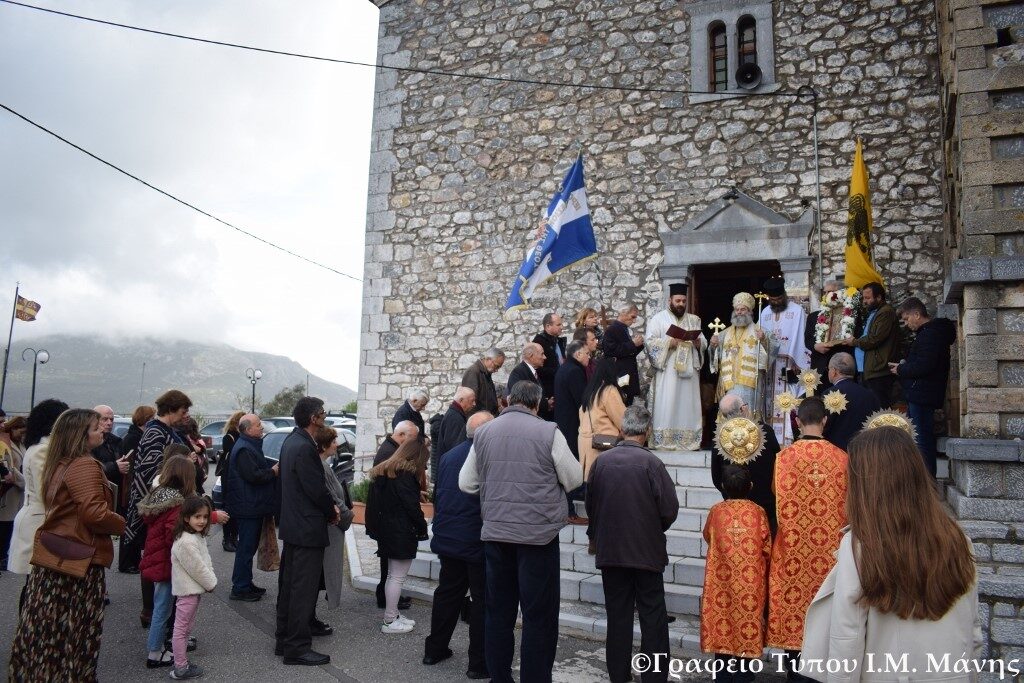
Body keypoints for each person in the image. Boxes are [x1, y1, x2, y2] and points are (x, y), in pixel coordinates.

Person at [803, 427, 981, 679]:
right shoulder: (958, 539)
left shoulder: (860, 547)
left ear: (864, 484)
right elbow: (972, 630)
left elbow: (847, 641)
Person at [459, 380, 583, 683]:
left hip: (497, 535)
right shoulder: (548, 431)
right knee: (538, 617)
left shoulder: (484, 432)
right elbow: (574, 478)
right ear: (537, 403)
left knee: (498, 614)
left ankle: (499, 678)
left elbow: (466, 483)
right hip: (537, 538)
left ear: (508, 400)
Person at [8, 408, 126, 681]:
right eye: (97, 427)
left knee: (49, 631)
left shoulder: (58, 461)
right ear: (81, 435)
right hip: (78, 563)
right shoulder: (84, 464)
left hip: (56, 557)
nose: (102, 431)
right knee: (76, 631)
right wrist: (120, 523)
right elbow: (94, 513)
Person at [586, 405, 678, 683]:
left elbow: (591, 505)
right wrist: (652, 528)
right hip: (645, 551)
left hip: (612, 550)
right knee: (652, 616)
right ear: (647, 431)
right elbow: (669, 509)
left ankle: (618, 673)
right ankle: (654, 676)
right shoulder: (651, 464)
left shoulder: (601, 463)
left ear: (622, 430)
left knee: (618, 616)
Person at [766, 397, 847, 677]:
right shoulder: (842, 457)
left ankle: (794, 673)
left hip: (794, 555)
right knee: (826, 621)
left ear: (798, 421)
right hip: (831, 557)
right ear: (825, 420)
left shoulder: (783, 458)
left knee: (795, 620)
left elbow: (777, 495)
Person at [424, 411, 493, 678]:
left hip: (449, 537)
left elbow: (439, 496)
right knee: (481, 600)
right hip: (475, 540)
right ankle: (478, 664)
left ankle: (434, 649)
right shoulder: (487, 458)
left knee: (447, 594)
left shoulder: (448, 456)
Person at [140, 454, 225, 668]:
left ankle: (159, 647)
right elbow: (174, 535)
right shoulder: (176, 504)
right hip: (165, 563)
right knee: (163, 608)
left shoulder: (159, 495)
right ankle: (155, 651)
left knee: (162, 607)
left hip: (157, 559)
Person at [275, 396, 339, 666]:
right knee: (302, 589)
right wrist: (332, 510)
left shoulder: (291, 441)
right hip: (306, 527)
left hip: (293, 525)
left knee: (290, 586)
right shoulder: (304, 447)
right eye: (323, 413)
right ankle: (297, 648)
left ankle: (284, 639)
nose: (325, 417)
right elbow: (316, 489)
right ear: (314, 418)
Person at [700, 465, 771, 682]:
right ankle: (744, 676)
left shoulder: (716, 512)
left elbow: (708, 536)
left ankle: (722, 676)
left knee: (723, 624)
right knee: (745, 627)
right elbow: (767, 547)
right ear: (750, 486)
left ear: (722, 486)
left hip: (721, 583)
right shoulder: (758, 512)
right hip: (750, 585)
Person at [366, 439, 429, 634]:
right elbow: (411, 507)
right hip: (401, 531)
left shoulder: (386, 471)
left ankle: (392, 615)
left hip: (388, 529)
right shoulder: (405, 475)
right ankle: (390, 620)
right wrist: (422, 526)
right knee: (397, 578)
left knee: (393, 576)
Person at [892, 297, 956, 478]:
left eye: (906, 319)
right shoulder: (928, 333)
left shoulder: (930, 334)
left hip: (922, 394)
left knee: (922, 440)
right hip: (921, 393)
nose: (906, 324)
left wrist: (901, 368)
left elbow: (925, 365)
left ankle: (928, 483)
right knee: (918, 438)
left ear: (917, 314)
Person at [7, 398, 68, 577]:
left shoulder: (44, 447)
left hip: (41, 519)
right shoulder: (44, 450)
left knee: (36, 583)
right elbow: (47, 491)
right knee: (35, 584)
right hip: (39, 521)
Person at [645, 282, 708, 451]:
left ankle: (688, 441)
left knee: (687, 403)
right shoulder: (658, 319)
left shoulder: (694, 320)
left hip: (689, 374)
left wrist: (698, 343)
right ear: (670, 300)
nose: (681, 304)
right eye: (678, 301)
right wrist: (670, 342)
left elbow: (704, 343)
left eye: (683, 301)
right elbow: (649, 343)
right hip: (668, 373)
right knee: (667, 401)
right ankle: (664, 440)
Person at [226, 413, 279, 602]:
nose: (262, 427)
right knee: (246, 549)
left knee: (249, 547)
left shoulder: (249, 445)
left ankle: (246, 583)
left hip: (252, 505)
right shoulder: (244, 449)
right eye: (258, 425)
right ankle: (240, 587)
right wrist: (272, 472)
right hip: (248, 507)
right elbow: (254, 476)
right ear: (248, 429)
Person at [710, 392, 780, 532]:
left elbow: (716, 477)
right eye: (745, 406)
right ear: (743, 409)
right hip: (766, 507)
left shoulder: (719, 439)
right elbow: (778, 466)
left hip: (734, 507)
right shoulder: (766, 431)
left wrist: (730, 495)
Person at [372, 418, 421, 611]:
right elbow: (396, 489)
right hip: (393, 520)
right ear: (401, 435)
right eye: (412, 440)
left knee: (391, 571)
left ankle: (387, 598)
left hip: (387, 518)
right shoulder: (391, 453)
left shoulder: (390, 449)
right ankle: (388, 604)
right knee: (393, 572)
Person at [169, 495, 218, 680]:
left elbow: (205, 561)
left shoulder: (193, 537)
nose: (202, 521)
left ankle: (182, 662)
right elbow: (197, 567)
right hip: (187, 592)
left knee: (185, 628)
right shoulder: (187, 542)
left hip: (192, 591)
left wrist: (209, 578)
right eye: (197, 516)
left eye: (205, 517)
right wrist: (211, 583)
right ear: (186, 517)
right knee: (181, 630)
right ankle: (181, 667)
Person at [758, 277, 809, 445]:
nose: (776, 302)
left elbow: (800, 337)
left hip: (789, 363)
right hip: (770, 365)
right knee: (768, 403)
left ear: (784, 295)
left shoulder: (797, 311)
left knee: (788, 400)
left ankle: (787, 438)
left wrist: (796, 361)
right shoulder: (764, 313)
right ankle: (771, 440)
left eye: (779, 299)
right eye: (773, 300)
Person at [839, 281, 898, 408]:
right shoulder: (873, 312)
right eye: (863, 298)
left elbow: (874, 338)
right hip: (867, 370)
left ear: (879, 297)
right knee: (868, 409)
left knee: (879, 409)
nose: (864, 301)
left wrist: (854, 342)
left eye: (868, 298)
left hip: (877, 371)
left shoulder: (886, 312)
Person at [315, 425, 354, 614]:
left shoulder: (324, 465)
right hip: (331, 526)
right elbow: (333, 498)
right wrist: (348, 516)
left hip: (333, 525)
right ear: (323, 445)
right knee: (322, 573)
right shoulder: (321, 467)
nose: (337, 445)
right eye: (333, 441)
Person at [709, 292, 770, 411]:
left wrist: (763, 340)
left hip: (750, 385)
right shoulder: (724, 334)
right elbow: (714, 358)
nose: (739, 312)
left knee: (748, 417)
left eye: (743, 309)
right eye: (737, 309)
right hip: (729, 385)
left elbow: (772, 352)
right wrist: (712, 345)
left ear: (750, 312)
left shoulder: (760, 332)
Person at [578, 359, 628, 483]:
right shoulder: (609, 391)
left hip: (586, 445)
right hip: (603, 446)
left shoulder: (590, 391)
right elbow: (623, 420)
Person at [821, 353, 880, 452]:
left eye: (829, 369)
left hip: (836, 453)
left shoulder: (830, 393)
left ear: (834, 371)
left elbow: (823, 425)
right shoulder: (870, 395)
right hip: (865, 452)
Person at [601, 304, 645, 404]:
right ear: (623, 313)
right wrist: (633, 344)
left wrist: (638, 345)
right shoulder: (612, 329)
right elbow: (610, 351)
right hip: (620, 376)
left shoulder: (623, 328)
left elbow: (626, 353)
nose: (634, 321)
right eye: (632, 317)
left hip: (626, 376)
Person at [805, 280, 843, 392]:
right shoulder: (813, 317)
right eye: (825, 292)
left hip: (840, 368)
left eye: (831, 292)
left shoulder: (848, 315)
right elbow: (808, 339)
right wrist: (816, 346)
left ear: (840, 293)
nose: (827, 295)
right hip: (819, 368)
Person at [216, 410, 244, 551]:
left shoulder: (241, 436)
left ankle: (234, 538)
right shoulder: (229, 437)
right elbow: (232, 453)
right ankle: (227, 539)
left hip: (237, 476)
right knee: (228, 509)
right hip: (228, 476)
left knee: (237, 510)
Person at [0, 417, 26, 569]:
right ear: (14, 428)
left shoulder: (20, 444)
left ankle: (4, 555)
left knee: (11, 523)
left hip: (16, 489)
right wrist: (23, 481)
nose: (22, 435)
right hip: (9, 487)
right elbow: (10, 466)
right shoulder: (6, 443)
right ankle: (2, 555)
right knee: (5, 523)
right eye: (20, 432)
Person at [533, 312, 567, 420]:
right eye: (558, 325)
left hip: (561, 385)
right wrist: (558, 372)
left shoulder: (558, 341)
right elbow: (538, 368)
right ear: (548, 326)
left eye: (561, 324)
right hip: (549, 390)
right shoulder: (538, 343)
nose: (562, 327)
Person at [435, 386, 476, 462]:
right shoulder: (454, 418)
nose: (474, 404)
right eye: (472, 401)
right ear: (461, 400)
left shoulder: (456, 414)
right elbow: (454, 447)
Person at [461, 348, 506, 417]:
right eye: (496, 366)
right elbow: (469, 402)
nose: (496, 370)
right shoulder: (473, 372)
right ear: (488, 359)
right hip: (479, 421)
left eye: (499, 367)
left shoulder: (486, 373)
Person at [91, 404, 127, 486]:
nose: (109, 423)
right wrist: (115, 467)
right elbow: (90, 470)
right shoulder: (88, 443)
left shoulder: (117, 441)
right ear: (94, 420)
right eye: (105, 419)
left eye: (111, 419)